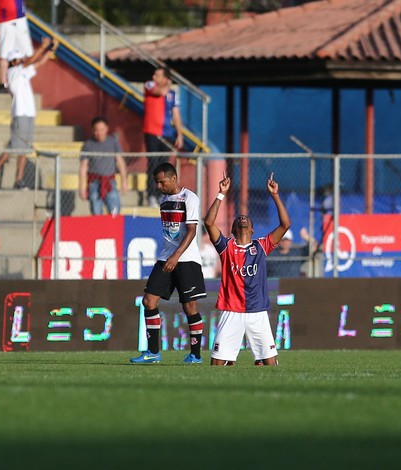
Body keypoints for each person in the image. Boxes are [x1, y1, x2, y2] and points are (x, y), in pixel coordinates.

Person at [204, 172, 290, 366]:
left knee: (270, 365)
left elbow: (285, 225)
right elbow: (208, 222)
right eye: (238, 219)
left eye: (246, 218)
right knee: (217, 365)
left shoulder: (261, 246)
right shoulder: (226, 247)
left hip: (256, 311)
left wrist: (275, 195)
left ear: (252, 229)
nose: (242, 218)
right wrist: (220, 194)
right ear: (233, 229)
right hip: (231, 311)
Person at [130, 162, 206, 364]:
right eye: (156, 183)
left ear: (174, 178)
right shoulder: (164, 201)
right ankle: (153, 352)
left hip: (186, 259)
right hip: (166, 257)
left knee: (190, 306)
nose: (159, 186)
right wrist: (169, 256)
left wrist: (176, 257)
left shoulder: (190, 198)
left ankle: (196, 355)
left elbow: (191, 231)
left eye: (162, 182)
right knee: (148, 301)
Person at [0, 36, 57, 190]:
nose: (21, 61)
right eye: (18, 59)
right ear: (13, 62)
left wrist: (50, 49)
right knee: (13, 148)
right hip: (21, 114)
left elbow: (40, 63)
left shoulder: (22, 71)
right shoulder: (13, 73)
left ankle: (19, 180)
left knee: (23, 149)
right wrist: (43, 47)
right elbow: (31, 61)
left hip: (28, 114)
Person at [143, 67, 183, 208]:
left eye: (158, 75)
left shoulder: (172, 94)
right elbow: (160, 91)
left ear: (165, 78)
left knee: (163, 166)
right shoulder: (149, 85)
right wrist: (167, 85)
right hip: (152, 132)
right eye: (154, 74)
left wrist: (179, 133)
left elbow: (176, 114)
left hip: (167, 134)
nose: (154, 77)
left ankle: (162, 194)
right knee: (153, 163)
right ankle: (151, 195)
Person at [79, 116, 128, 215]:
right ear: (93, 130)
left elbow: (120, 162)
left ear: (106, 129)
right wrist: (81, 187)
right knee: (96, 212)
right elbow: (83, 167)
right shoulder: (88, 145)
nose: (99, 133)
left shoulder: (113, 142)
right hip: (94, 183)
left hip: (110, 182)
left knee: (115, 210)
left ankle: (113, 230)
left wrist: (124, 182)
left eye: (102, 129)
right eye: (96, 130)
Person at [0, 0, 33, 93]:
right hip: (4, 22)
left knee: (26, 52)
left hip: (20, 19)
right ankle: (3, 83)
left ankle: (24, 80)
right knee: (3, 53)